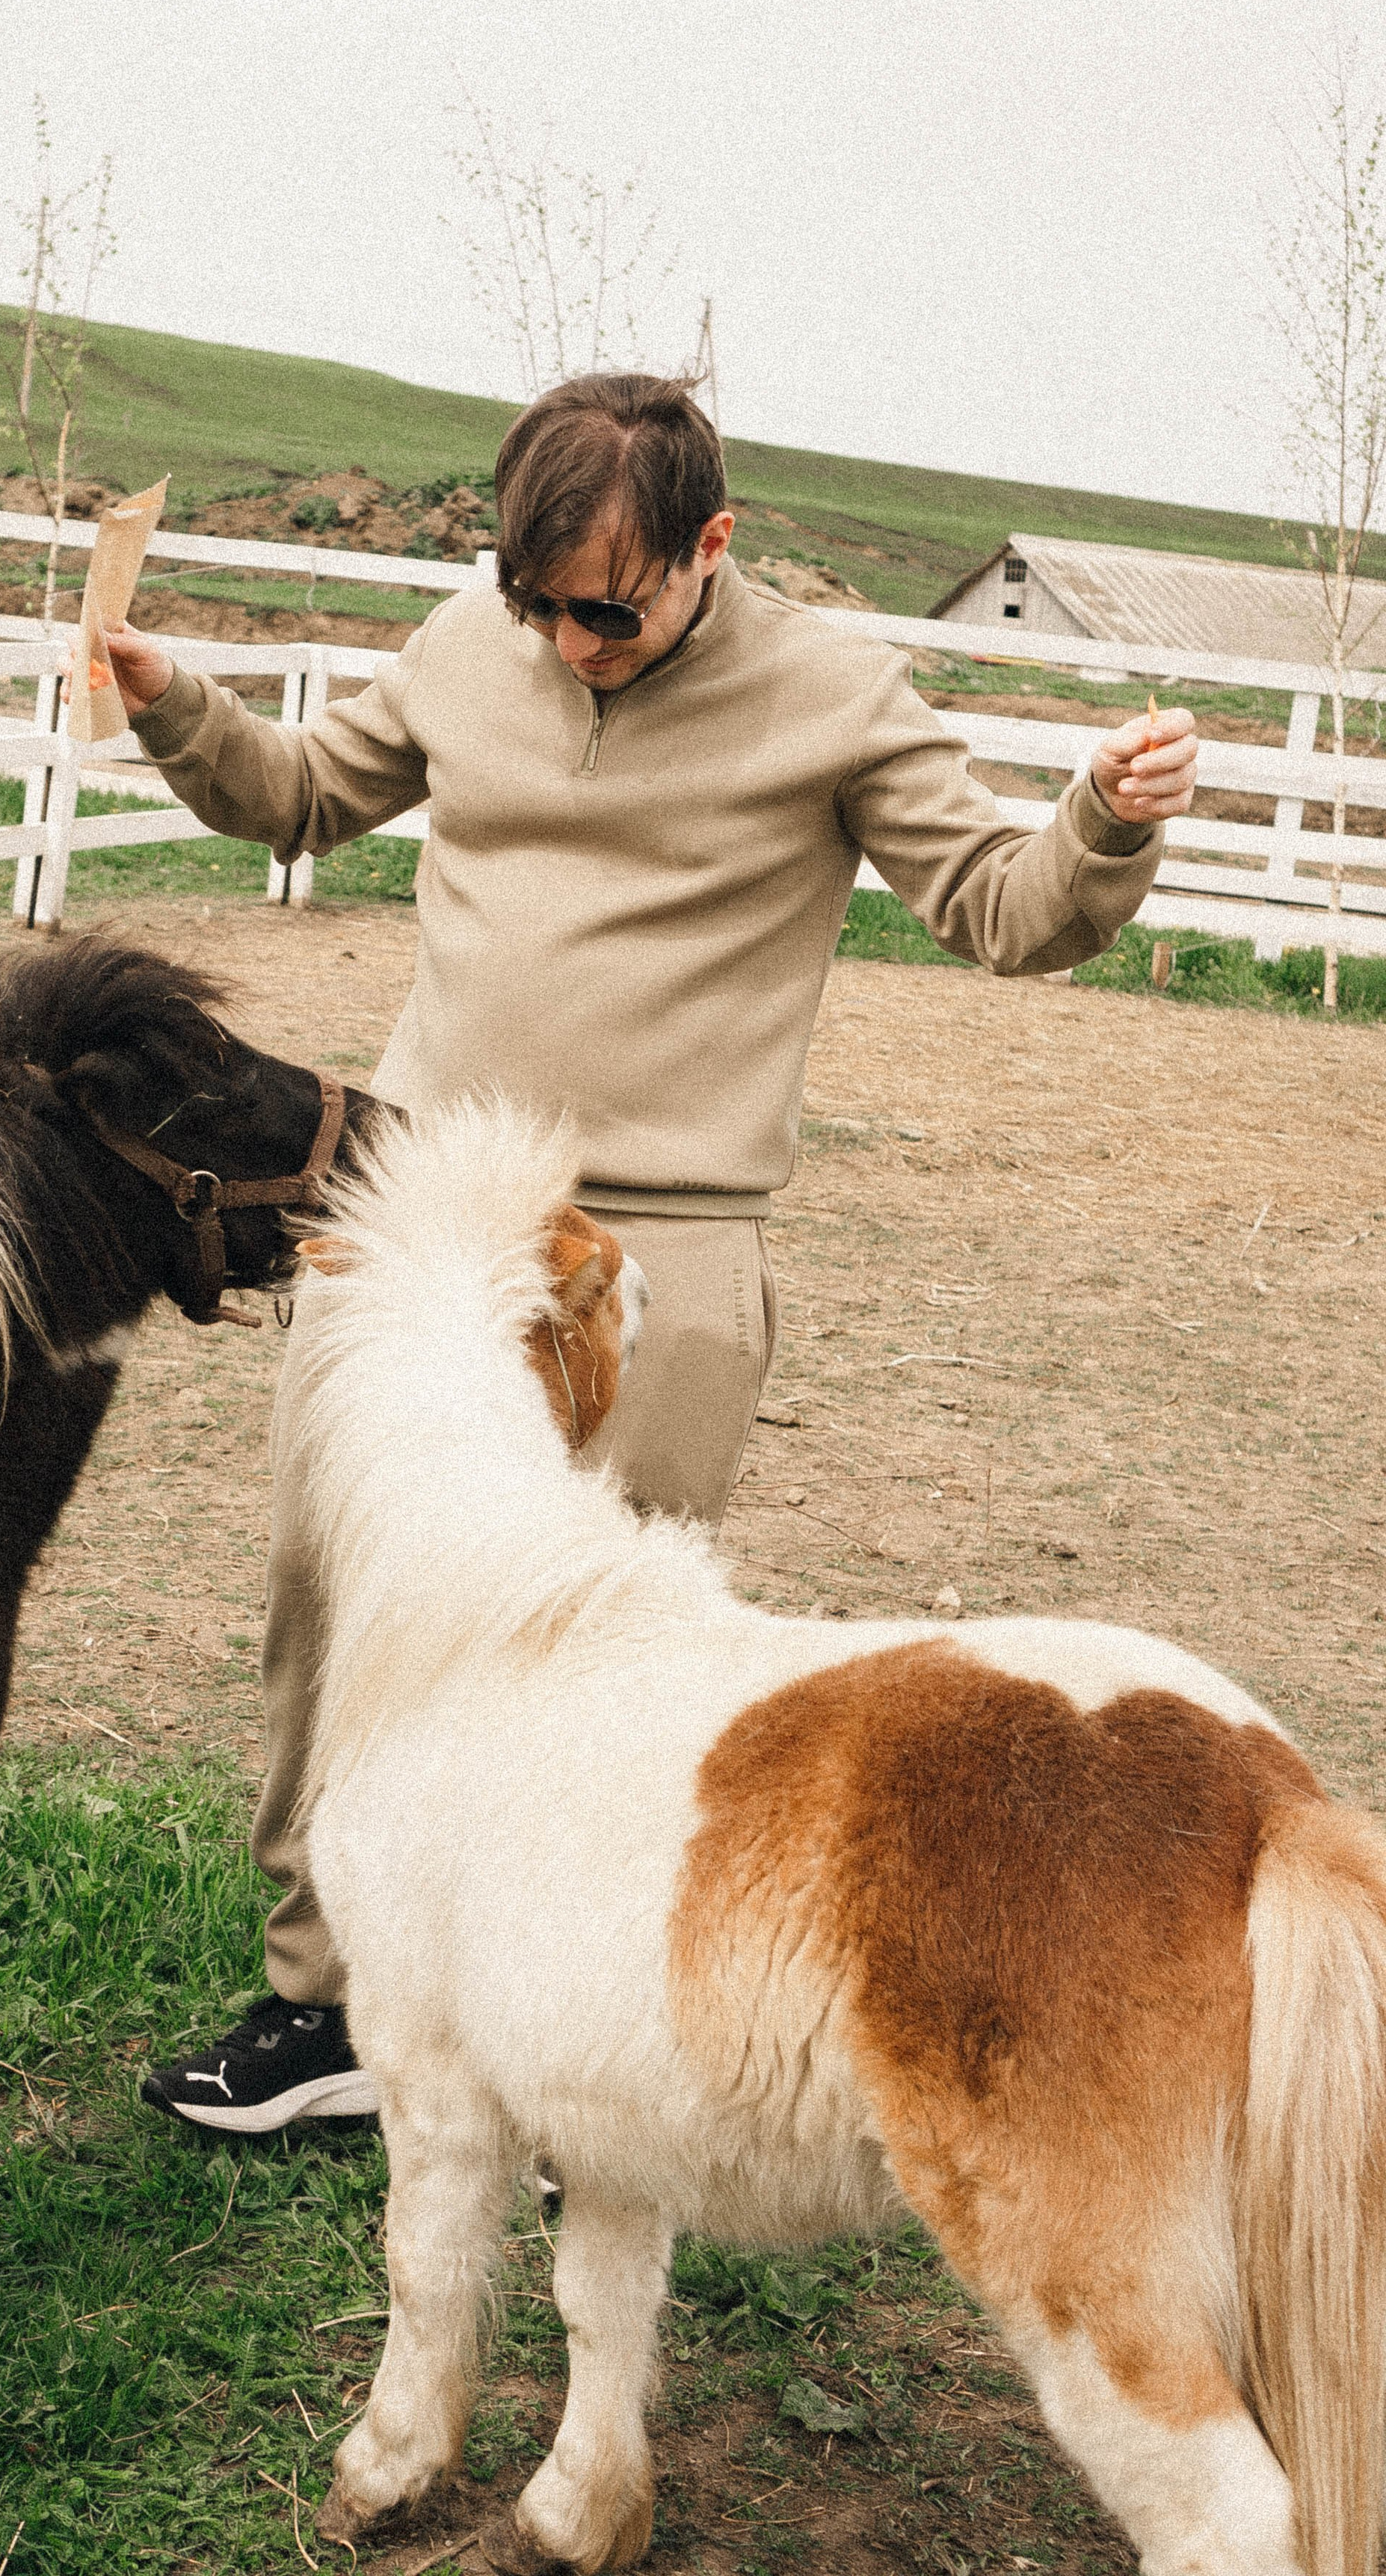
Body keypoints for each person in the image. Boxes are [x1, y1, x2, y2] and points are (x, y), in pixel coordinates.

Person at [95, 373, 1199, 2135]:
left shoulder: (836, 697)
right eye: (531, 600)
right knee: (339, 1613)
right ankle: (329, 2012)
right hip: (421, 1221)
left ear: (710, 547)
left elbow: (1005, 912)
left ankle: (561, 2057)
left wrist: (1104, 824)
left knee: (601, 1664)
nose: (563, 642)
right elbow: (299, 796)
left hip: (664, 1257)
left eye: (603, 606)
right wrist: (175, 702)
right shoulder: (480, 642)